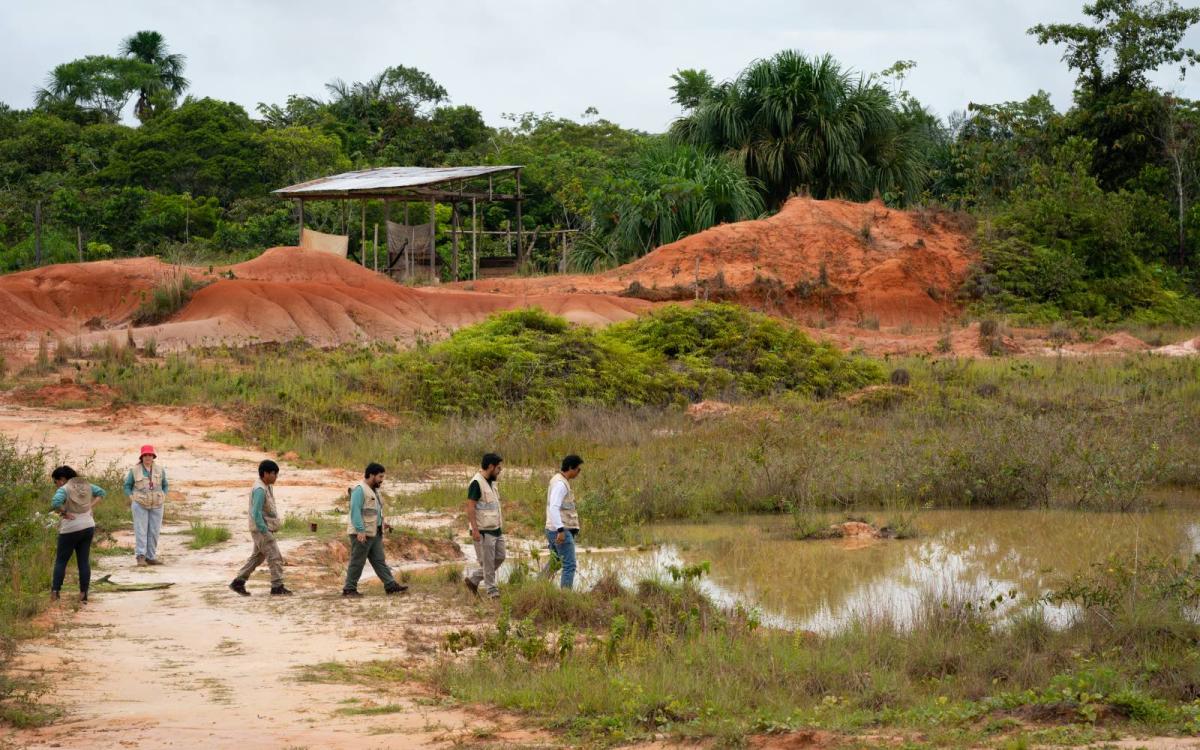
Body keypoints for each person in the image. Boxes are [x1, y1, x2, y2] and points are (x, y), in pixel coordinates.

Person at [343, 462, 408, 598]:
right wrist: (360, 530)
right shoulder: (359, 490)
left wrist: (383, 524)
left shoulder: (375, 491)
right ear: (371, 475)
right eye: (380, 477)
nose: (381, 480)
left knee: (379, 561)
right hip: (362, 534)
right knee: (357, 561)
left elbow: (373, 512)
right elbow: (355, 512)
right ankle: (349, 589)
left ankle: (390, 586)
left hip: (375, 533)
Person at [229, 460, 291, 596]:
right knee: (275, 557)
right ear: (266, 474)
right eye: (274, 474)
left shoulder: (266, 486)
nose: (276, 477)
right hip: (261, 530)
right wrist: (264, 531)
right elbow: (255, 513)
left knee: (257, 558)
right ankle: (277, 586)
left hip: (262, 529)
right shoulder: (260, 489)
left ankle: (238, 582)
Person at [49, 466, 105, 603]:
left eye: (55, 482)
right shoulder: (86, 485)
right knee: (84, 561)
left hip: (71, 528)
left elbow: (55, 503)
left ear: (62, 479)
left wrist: (64, 512)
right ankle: (83, 594)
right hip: (88, 525)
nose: (56, 485)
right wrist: (91, 506)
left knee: (61, 561)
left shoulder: (64, 489)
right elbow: (102, 492)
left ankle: (55, 592)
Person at [464, 453, 505, 599]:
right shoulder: (476, 482)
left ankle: (474, 579)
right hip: (483, 531)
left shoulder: (492, 482)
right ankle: (492, 591)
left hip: (496, 529)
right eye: (498, 468)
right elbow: (470, 507)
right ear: (490, 467)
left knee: (500, 556)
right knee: (488, 562)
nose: (500, 471)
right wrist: (475, 529)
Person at [543, 455, 584, 589]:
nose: (579, 472)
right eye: (578, 469)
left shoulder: (559, 480)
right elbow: (554, 507)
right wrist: (560, 530)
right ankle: (566, 597)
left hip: (553, 528)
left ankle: (537, 587)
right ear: (571, 468)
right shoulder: (561, 484)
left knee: (556, 561)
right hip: (560, 530)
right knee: (569, 564)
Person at [124, 444, 167, 567]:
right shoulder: (134, 470)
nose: (148, 457)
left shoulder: (160, 469)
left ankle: (151, 557)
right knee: (141, 530)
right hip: (140, 504)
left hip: (157, 504)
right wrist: (132, 497)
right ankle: (140, 557)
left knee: (154, 531)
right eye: (145, 455)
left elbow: (165, 484)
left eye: (150, 455)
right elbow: (127, 486)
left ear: (153, 456)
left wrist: (163, 495)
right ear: (141, 457)